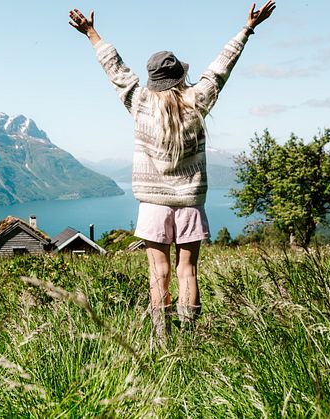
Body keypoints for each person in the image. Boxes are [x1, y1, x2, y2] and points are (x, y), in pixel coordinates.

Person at [68, 2, 275, 340]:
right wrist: (247, 28)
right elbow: (221, 68)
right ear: (181, 77)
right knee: (187, 271)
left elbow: (116, 70)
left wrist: (91, 34)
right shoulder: (198, 101)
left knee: (157, 271)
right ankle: (190, 339)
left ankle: (163, 339)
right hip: (190, 203)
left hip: (152, 204)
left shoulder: (140, 103)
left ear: (153, 81)